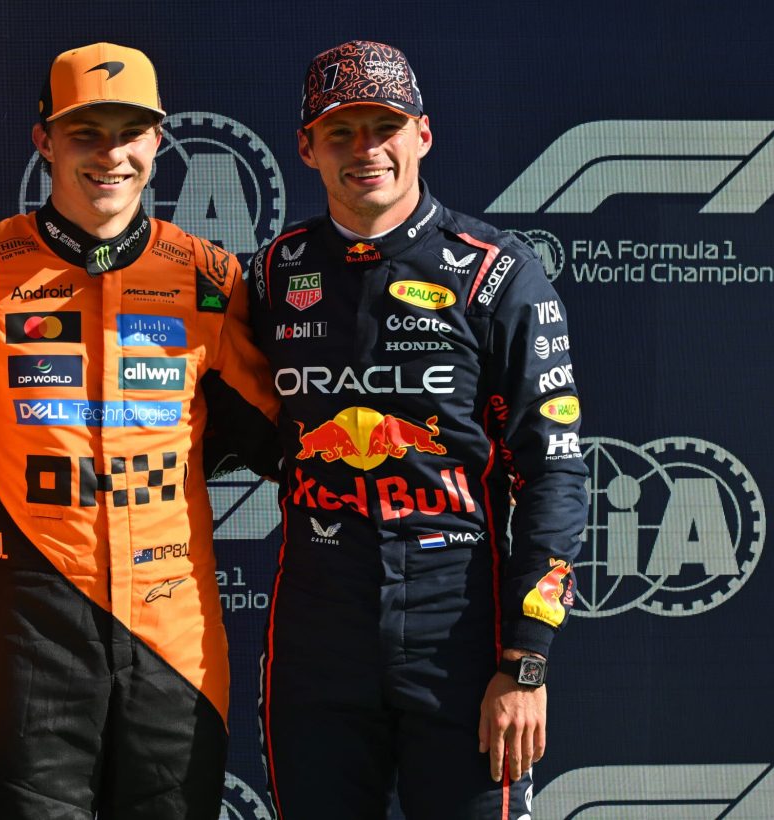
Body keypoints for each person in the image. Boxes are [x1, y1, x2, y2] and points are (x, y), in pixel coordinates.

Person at [0, 42, 280, 819]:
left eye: (130, 133)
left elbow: (275, 435)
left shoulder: (210, 276)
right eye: (86, 133)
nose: (110, 155)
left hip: (174, 631)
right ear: (44, 140)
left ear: (158, 142)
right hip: (29, 634)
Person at [248, 41, 587, 818]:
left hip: (458, 625)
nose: (365, 150)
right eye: (340, 131)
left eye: (384, 127)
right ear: (305, 147)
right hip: (317, 628)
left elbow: (555, 471)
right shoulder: (271, 274)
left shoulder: (495, 272)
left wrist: (526, 662)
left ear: (423, 135)